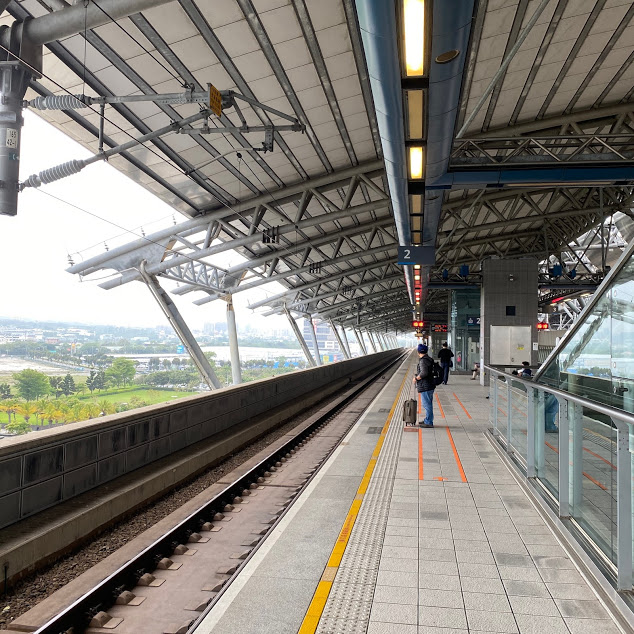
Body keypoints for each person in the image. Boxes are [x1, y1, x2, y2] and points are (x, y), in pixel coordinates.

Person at [415, 343, 435, 428]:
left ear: (418, 352)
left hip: (426, 385)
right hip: (429, 384)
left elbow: (424, 373)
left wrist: (416, 378)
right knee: (428, 403)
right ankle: (427, 419)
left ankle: (429, 422)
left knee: (427, 404)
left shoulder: (423, 361)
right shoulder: (429, 359)